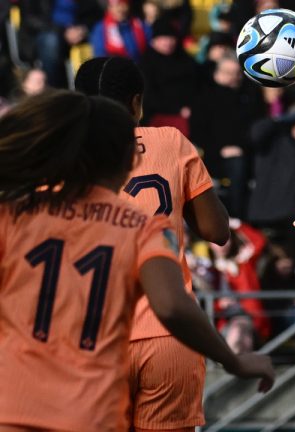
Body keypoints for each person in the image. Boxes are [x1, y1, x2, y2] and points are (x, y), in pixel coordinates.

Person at [0, 90, 274, 431]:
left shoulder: (14, 214)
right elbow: (173, 306)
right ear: (122, 158)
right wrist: (233, 360)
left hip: (16, 398)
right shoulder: (140, 226)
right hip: (88, 405)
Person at [74, 56, 230, 432]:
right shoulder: (170, 142)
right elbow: (216, 231)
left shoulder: (54, 155)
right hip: (169, 333)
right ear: (136, 102)